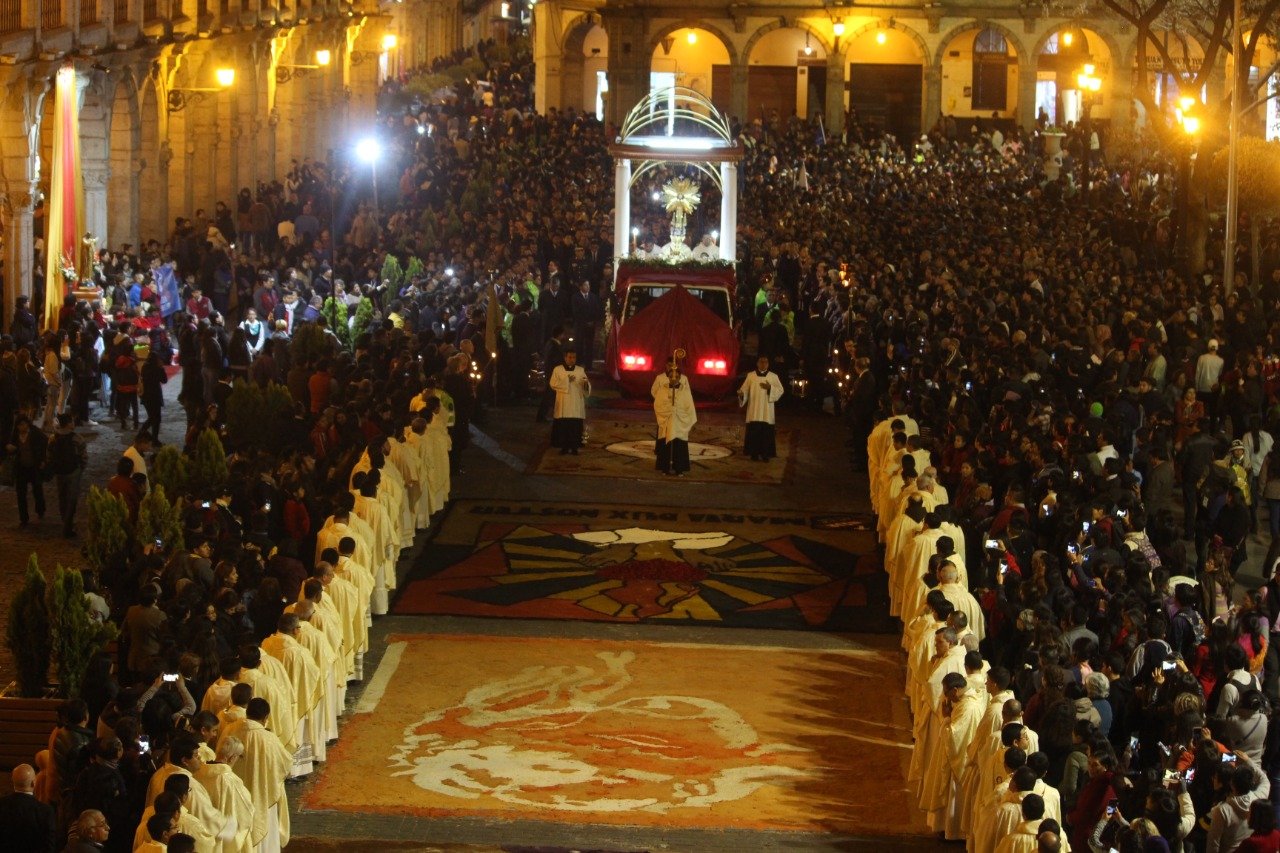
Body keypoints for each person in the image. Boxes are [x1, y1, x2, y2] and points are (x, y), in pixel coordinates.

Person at [652, 356, 697, 476]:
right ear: (668, 377)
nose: (674, 379)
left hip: (680, 423)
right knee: (665, 445)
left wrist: (679, 414)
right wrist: (668, 411)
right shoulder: (662, 390)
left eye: (676, 377)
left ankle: (679, 468)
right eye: (671, 376)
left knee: (679, 446)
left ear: (679, 377)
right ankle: (665, 468)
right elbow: (658, 405)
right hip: (667, 422)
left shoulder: (685, 392)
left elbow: (690, 409)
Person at [737, 355, 785, 461]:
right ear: (757, 363)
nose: (763, 364)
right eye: (761, 361)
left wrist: (770, 388)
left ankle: (765, 454)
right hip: (754, 410)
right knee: (754, 432)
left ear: (768, 364)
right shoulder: (751, 376)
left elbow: (780, 390)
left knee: (766, 433)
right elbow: (744, 390)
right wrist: (741, 394)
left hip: (767, 411)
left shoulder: (773, 377)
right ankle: (754, 454)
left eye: (765, 362)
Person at [47, 412, 87, 537]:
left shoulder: (53, 438)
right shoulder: (77, 438)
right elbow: (84, 457)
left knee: (62, 497)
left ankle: (65, 520)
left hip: (59, 472)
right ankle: (68, 526)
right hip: (73, 472)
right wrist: (81, 469)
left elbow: (48, 455)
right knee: (72, 499)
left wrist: (53, 468)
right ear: (69, 424)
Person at [0, 764, 55, 852]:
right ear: (34, 783)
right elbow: (49, 846)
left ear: (13, 781)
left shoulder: (2, 805)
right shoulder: (45, 811)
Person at [8, 414, 47, 527]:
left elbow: (45, 443)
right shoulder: (15, 435)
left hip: (34, 467)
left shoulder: (35, 433)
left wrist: (43, 460)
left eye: (23, 424)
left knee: (37, 490)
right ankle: (23, 518)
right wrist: (12, 449)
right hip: (21, 468)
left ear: (27, 424)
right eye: (19, 425)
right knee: (21, 493)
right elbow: (12, 448)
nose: (21, 427)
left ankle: (40, 510)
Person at [548, 348, 590, 455]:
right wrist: (567, 381)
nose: (572, 359)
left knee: (575, 426)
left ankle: (575, 447)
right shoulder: (558, 370)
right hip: (563, 403)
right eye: (570, 357)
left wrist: (585, 384)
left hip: (576, 403)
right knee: (564, 426)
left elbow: (586, 387)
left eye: (574, 357)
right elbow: (553, 384)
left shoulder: (580, 370)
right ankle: (564, 447)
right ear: (565, 357)